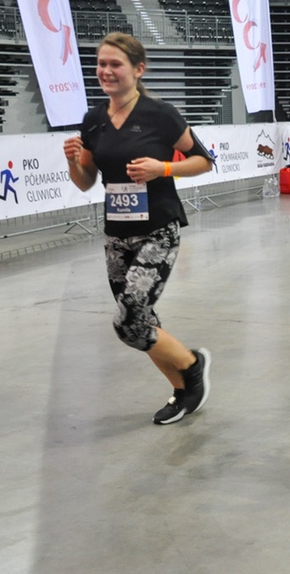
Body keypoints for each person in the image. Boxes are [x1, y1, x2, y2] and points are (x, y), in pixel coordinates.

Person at [62, 32, 215, 425]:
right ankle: (184, 391)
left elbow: (203, 160)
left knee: (129, 320)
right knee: (141, 318)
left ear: (138, 69)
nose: (106, 71)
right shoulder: (94, 120)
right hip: (117, 235)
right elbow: (86, 181)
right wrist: (73, 162)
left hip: (158, 229)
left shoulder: (160, 114)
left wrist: (163, 168)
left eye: (115, 64)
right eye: (101, 64)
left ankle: (192, 366)